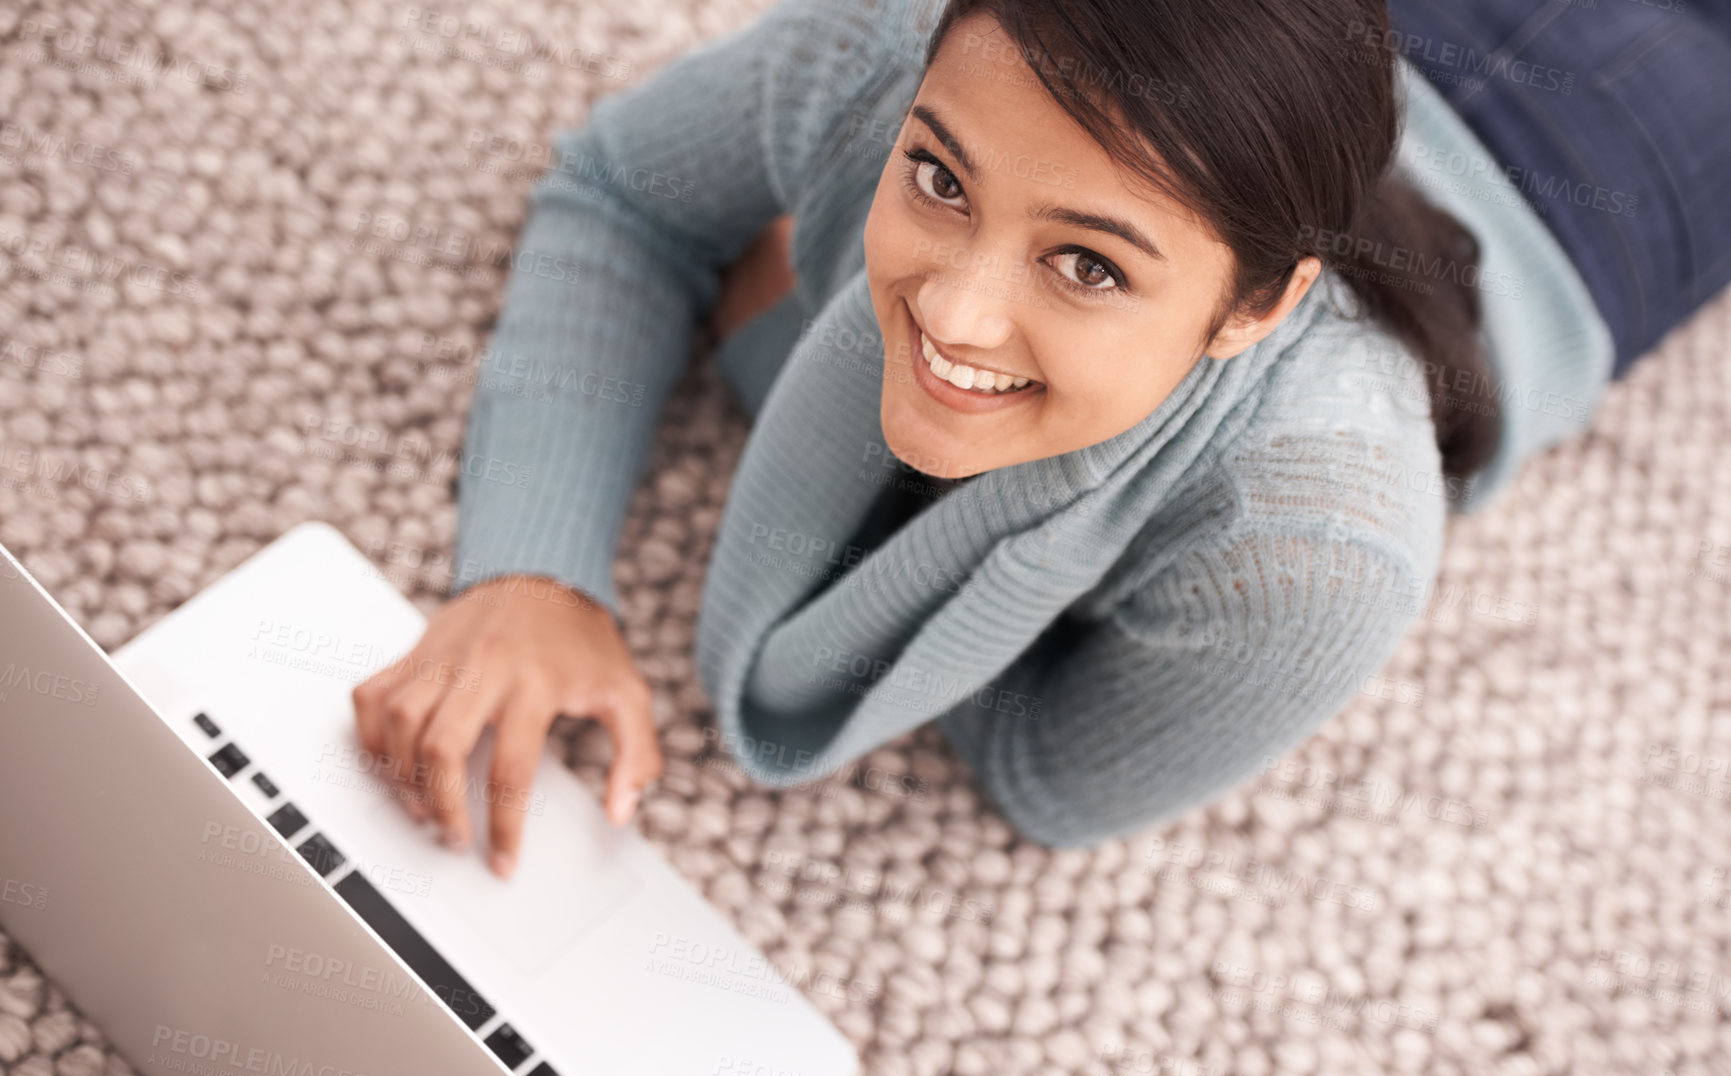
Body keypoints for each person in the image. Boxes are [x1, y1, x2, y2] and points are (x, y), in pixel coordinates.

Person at [351, 0, 1731, 877]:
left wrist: (774, 341)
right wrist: (529, 572)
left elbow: (1053, 777)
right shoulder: (885, 63)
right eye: (941, 182)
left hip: (1628, 179)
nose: (954, 308)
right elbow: (621, 194)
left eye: (1087, 267)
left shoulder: (1318, 545)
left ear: (1257, 307)